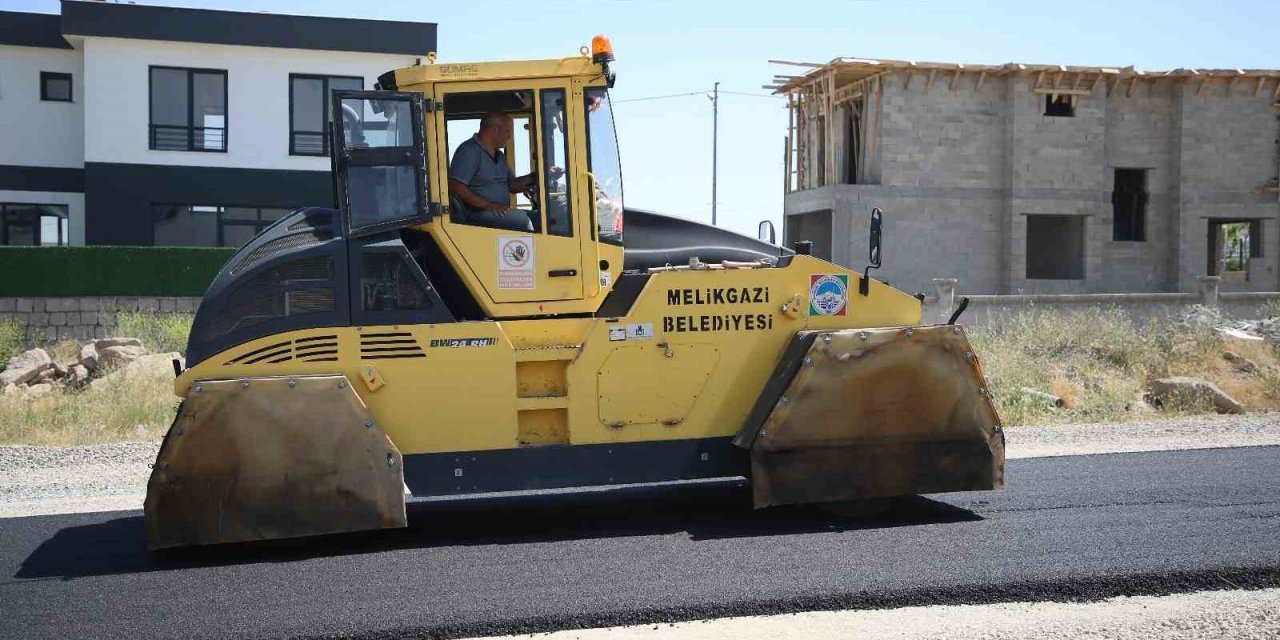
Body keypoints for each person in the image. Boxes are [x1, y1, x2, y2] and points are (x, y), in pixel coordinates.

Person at [448, 112, 538, 231]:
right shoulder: (469, 151)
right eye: (507, 131)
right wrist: (488, 205)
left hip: (498, 212)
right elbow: (456, 186)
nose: (509, 136)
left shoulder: (500, 156)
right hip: (476, 215)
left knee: (540, 218)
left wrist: (535, 177)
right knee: (523, 221)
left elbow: (512, 186)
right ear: (496, 130)